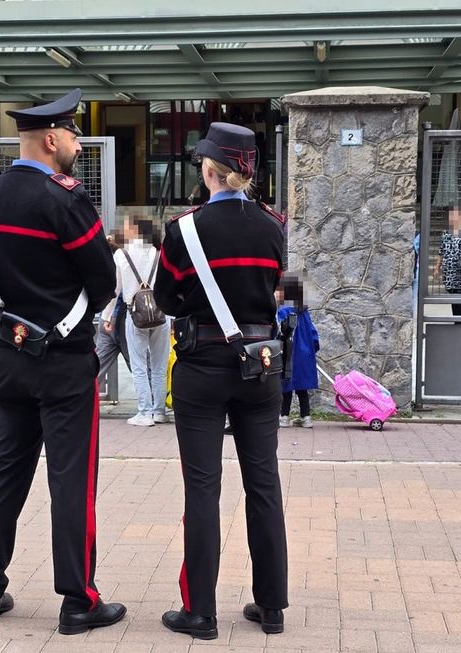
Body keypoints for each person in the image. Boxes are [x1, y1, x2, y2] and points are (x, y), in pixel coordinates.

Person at [0, 88, 126, 635]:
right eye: (75, 135)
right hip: (63, 359)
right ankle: (78, 601)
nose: (79, 145)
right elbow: (103, 281)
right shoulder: (66, 200)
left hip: (7, 357)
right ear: (52, 139)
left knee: (5, 472)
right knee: (71, 481)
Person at [154, 123, 288, 639]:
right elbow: (279, 287)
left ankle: (201, 613)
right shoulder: (274, 226)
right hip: (260, 366)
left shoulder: (183, 230)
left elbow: (166, 299)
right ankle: (271, 607)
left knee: (202, 489)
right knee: (264, 485)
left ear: (209, 171)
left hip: (202, 365)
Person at [102, 217, 170, 426]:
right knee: (159, 366)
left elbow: (114, 290)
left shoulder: (121, 254)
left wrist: (107, 317)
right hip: (161, 314)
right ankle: (159, 411)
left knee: (139, 365)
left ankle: (144, 412)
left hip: (135, 315)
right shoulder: (159, 252)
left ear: (135, 231)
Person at [276, 276, 319, 429]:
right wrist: (313, 349)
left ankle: (284, 416)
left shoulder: (283, 311)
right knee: (302, 387)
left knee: (286, 384)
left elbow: (279, 332)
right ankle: (306, 417)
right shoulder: (304, 312)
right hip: (304, 355)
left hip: (288, 354)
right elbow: (313, 334)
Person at [95, 231, 131, 389]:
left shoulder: (106, 263)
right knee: (141, 369)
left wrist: (107, 317)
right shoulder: (127, 261)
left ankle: (85, 398)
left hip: (106, 320)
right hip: (125, 320)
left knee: (96, 369)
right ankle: (153, 401)